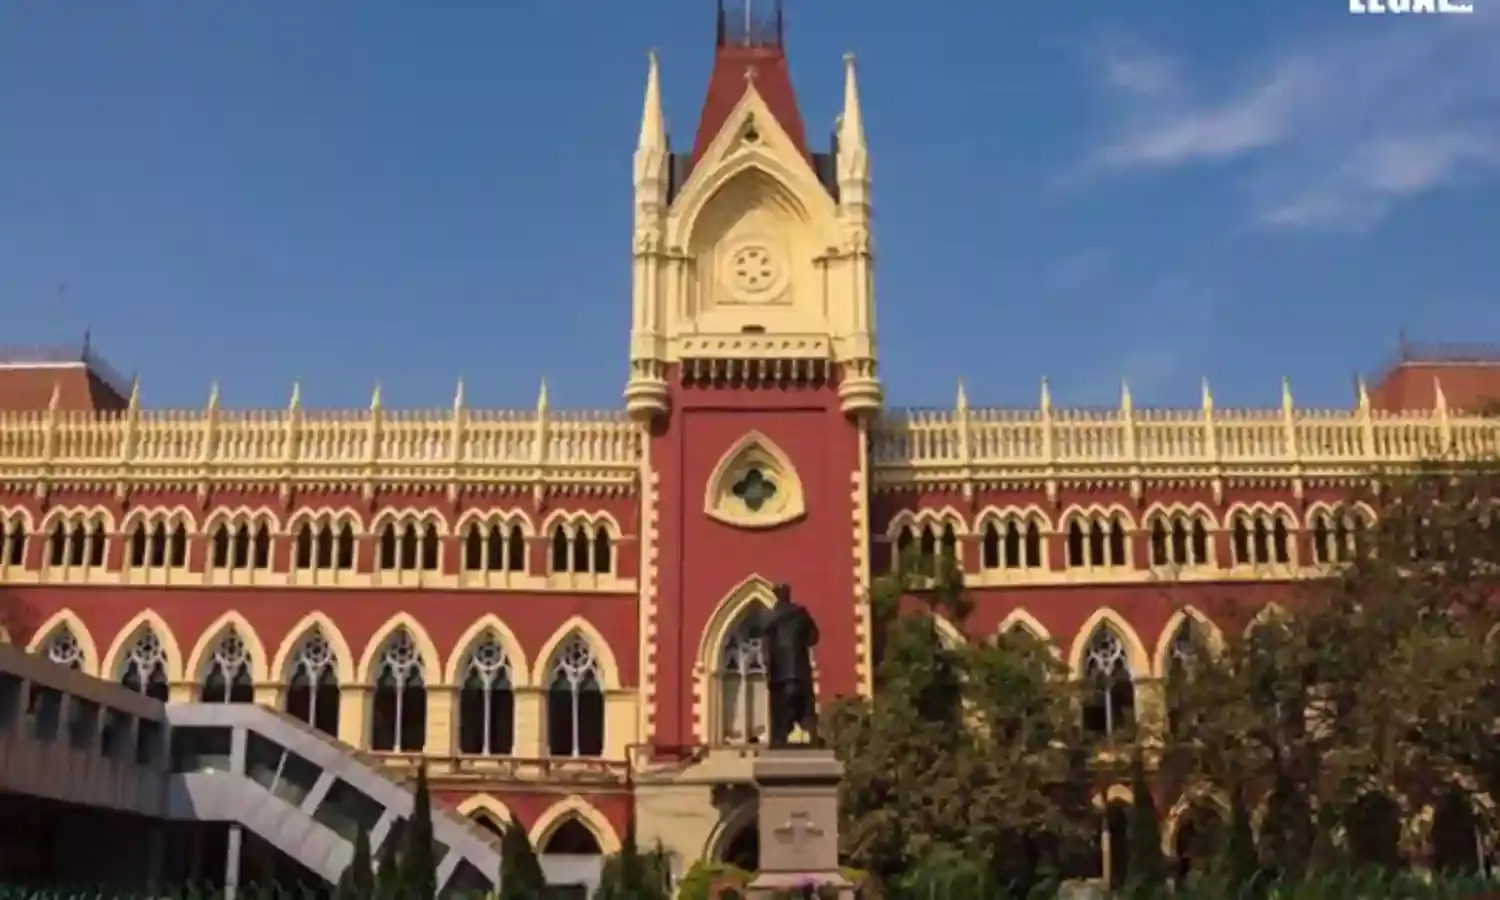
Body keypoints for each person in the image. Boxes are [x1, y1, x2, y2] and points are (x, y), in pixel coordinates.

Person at [753, 582, 821, 747]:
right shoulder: (801, 615)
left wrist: (768, 667)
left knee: (781, 710)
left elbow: (765, 648)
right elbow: (814, 637)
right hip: (800, 671)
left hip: (780, 675)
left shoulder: (769, 618)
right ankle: (813, 737)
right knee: (806, 707)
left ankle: (780, 738)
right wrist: (800, 643)